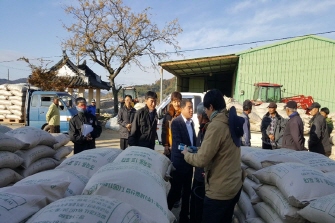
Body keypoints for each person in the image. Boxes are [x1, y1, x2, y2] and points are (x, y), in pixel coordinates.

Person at [181, 89, 243, 223]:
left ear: (211, 107)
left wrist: (186, 154)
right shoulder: (229, 120)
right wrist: (198, 149)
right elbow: (219, 149)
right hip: (233, 186)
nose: (206, 113)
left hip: (219, 191)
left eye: (206, 110)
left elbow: (202, 160)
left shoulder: (216, 125)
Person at [167, 99, 196, 223]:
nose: (191, 110)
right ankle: (165, 212)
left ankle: (184, 217)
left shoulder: (192, 123)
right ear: (182, 108)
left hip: (189, 163)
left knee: (187, 192)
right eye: (189, 107)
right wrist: (191, 149)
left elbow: (193, 141)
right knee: (175, 192)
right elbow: (178, 144)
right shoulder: (176, 123)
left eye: (192, 107)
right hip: (179, 164)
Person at [190, 102, 209, 223]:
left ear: (202, 116)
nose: (197, 118)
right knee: (194, 202)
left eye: (198, 116)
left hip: (204, 175)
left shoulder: (209, 130)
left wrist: (188, 155)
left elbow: (207, 153)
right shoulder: (201, 130)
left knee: (200, 205)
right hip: (198, 172)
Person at [161, 91, 182, 158]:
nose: (176, 104)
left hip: (180, 146)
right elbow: (164, 131)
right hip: (170, 146)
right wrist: (166, 145)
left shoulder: (183, 114)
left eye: (178, 101)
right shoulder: (168, 115)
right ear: (171, 102)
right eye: (174, 102)